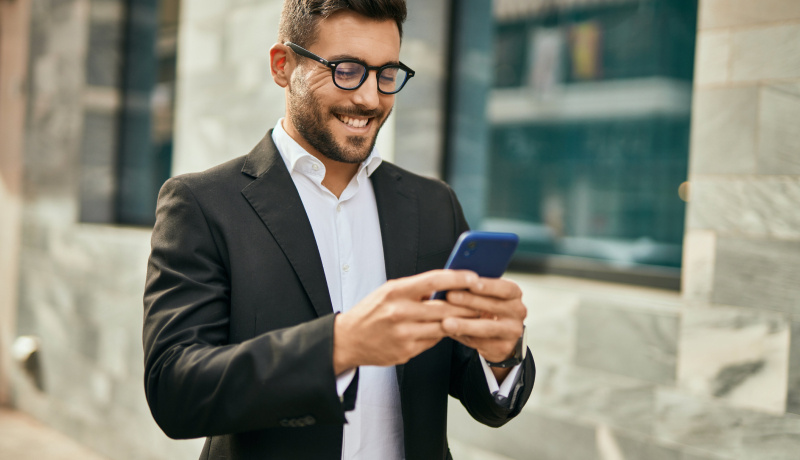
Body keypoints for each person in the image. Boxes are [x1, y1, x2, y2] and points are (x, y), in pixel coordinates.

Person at [142, 1, 535, 459]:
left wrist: (502, 355)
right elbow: (175, 390)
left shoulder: (434, 205)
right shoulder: (203, 203)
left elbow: (484, 397)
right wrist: (340, 344)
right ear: (283, 65)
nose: (369, 98)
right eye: (347, 70)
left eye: (387, 73)